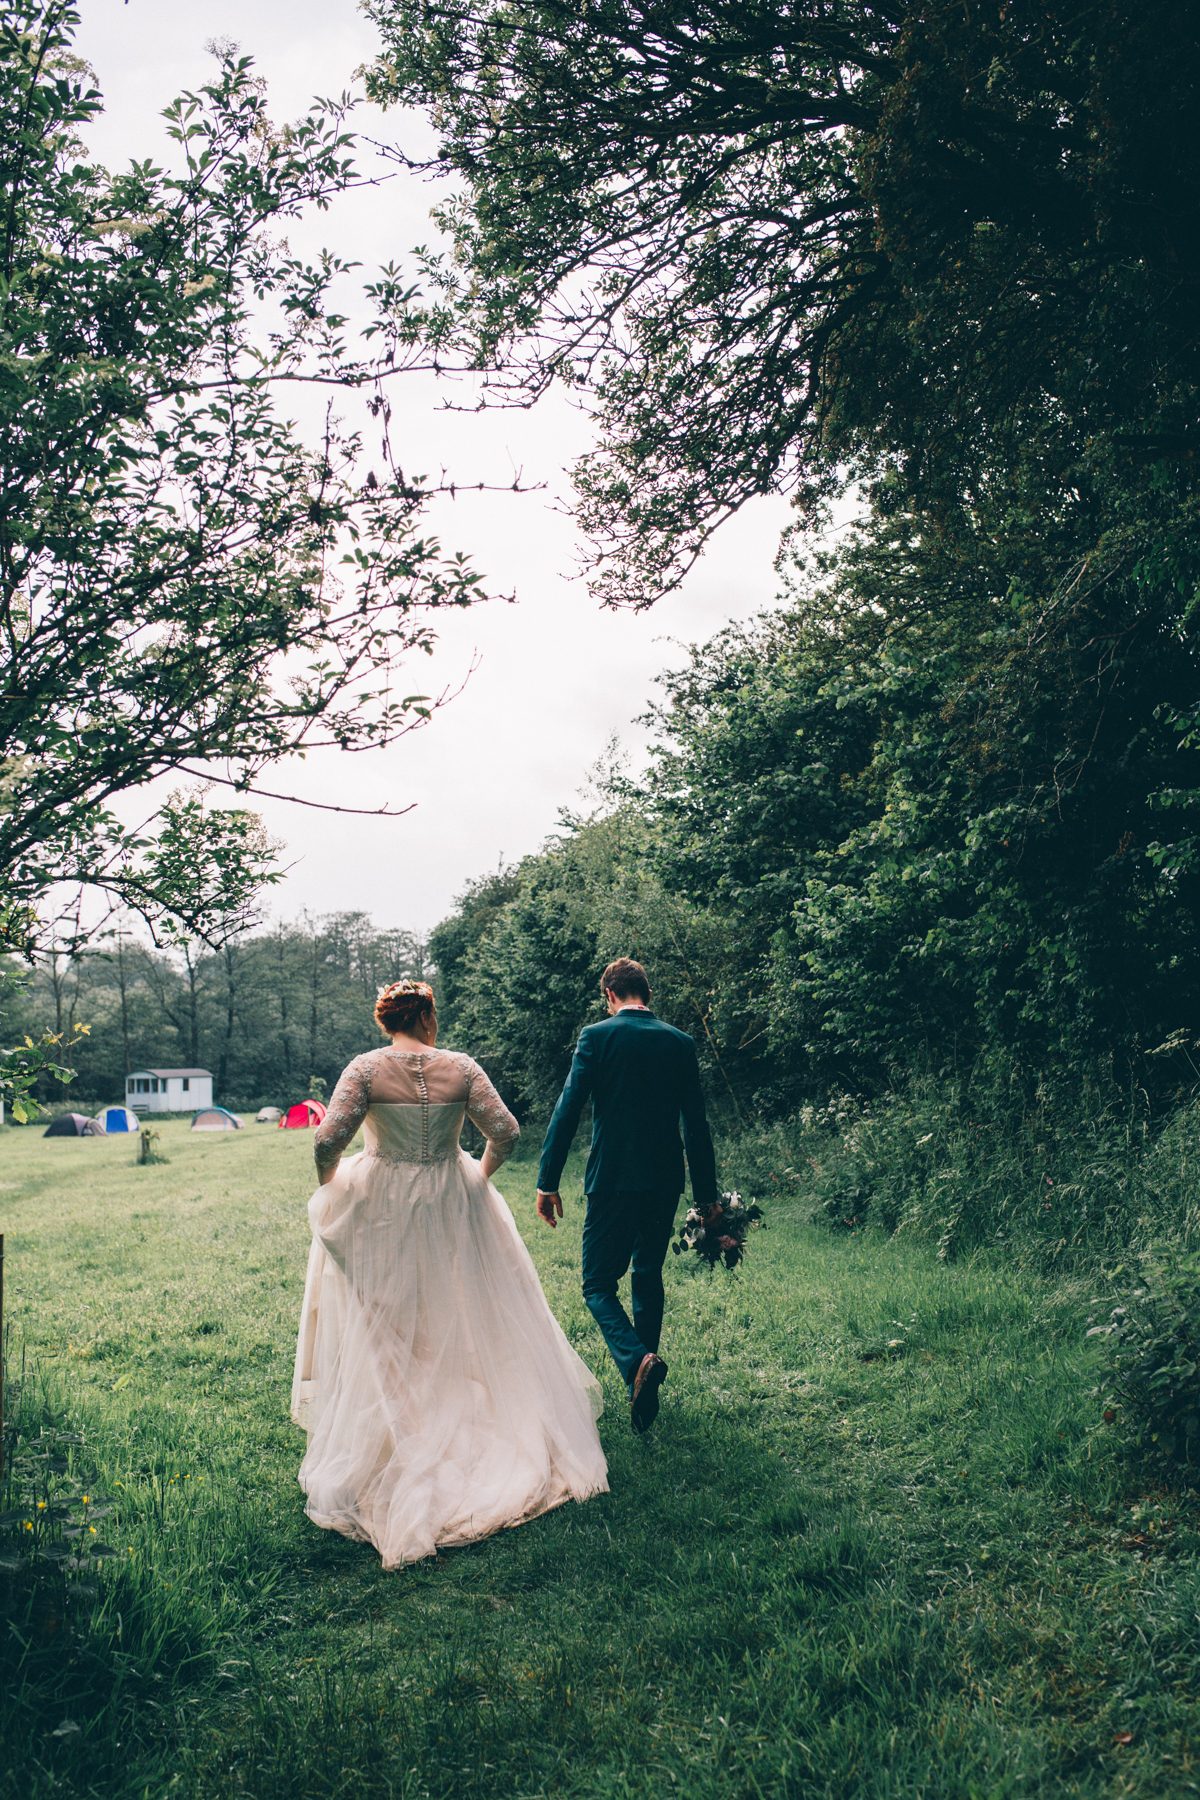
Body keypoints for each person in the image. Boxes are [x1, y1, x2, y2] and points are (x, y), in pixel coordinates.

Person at [290, 978, 608, 1569]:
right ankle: (464, 1424)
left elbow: (328, 1137)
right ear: (429, 1017)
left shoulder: (364, 1068)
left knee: (388, 1321)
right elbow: (507, 1133)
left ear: (388, 1021)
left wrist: (330, 1183)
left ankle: (402, 1432)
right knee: (459, 1310)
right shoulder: (461, 1068)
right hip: (449, 1194)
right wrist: (476, 1176)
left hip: (383, 1203)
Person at [536, 958, 718, 1434]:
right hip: (665, 1181)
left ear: (609, 996)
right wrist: (707, 1196)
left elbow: (568, 1108)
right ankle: (645, 1386)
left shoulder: (597, 1037)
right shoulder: (680, 1042)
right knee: (647, 1271)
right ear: (647, 994)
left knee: (597, 1284)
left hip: (613, 1178)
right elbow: (696, 1126)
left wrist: (547, 1179)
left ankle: (637, 1361)